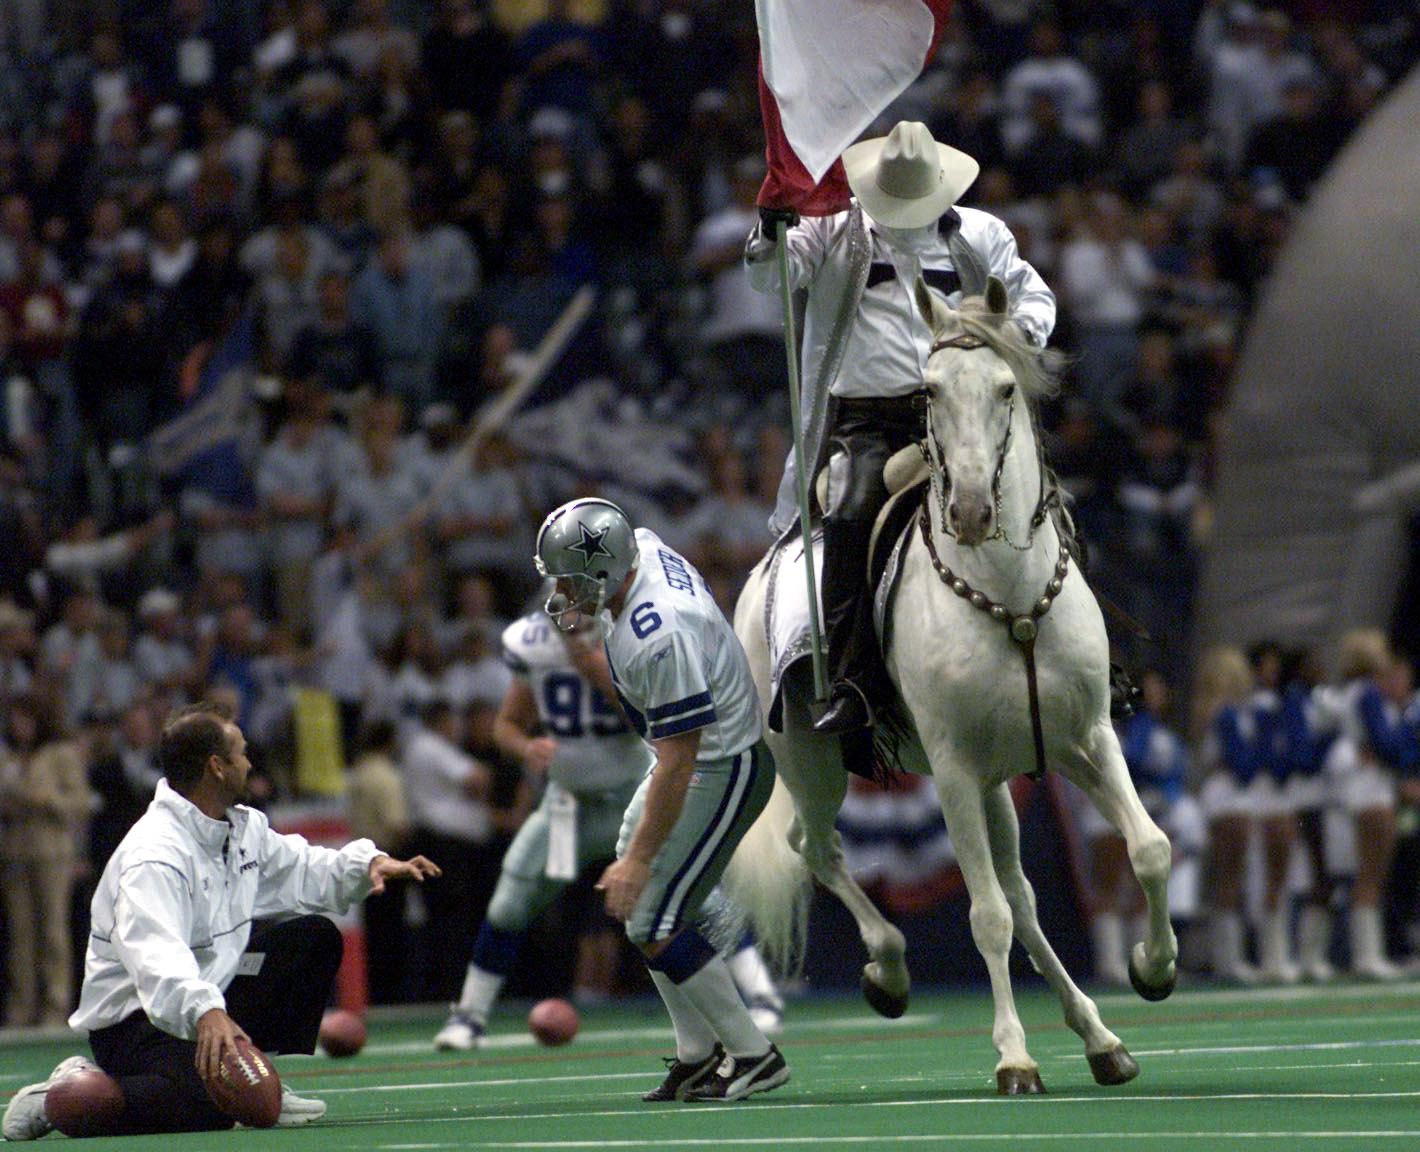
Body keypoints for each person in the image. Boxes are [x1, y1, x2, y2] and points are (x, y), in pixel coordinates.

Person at [2, 702, 440, 1141]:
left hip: (210, 996)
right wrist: (205, 1010)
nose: (250, 763)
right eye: (242, 753)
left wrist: (369, 865)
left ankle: (250, 1069)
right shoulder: (154, 854)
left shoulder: (240, 827)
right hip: (138, 1022)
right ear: (216, 767)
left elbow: (301, 867)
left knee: (314, 938)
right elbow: (157, 956)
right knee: (206, 1107)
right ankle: (67, 1092)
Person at [746, 120, 1056, 733]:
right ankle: (853, 681)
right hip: (869, 424)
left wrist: (1010, 339)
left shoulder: (981, 233)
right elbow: (771, 276)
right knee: (853, 512)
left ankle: (1080, 662)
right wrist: (770, 233)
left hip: (965, 416)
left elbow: (1034, 297)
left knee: (1038, 501)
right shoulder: (835, 229)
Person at [432, 593, 783, 1050]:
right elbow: (508, 724)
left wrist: (587, 659)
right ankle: (470, 1018)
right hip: (568, 806)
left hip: (633, 794)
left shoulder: (628, 633)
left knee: (697, 897)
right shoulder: (531, 642)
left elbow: (638, 714)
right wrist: (525, 748)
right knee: (509, 899)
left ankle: (762, 995)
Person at [532, 497, 789, 1102]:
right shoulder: (639, 546)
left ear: (600, 573)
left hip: (720, 767)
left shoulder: (657, 629)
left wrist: (641, 859)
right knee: (646, 905)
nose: (562, 593)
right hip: (698, 759)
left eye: (569, 579)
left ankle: (754, 1054)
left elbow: (679, 757)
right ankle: (698, 1055)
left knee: (649, 914)